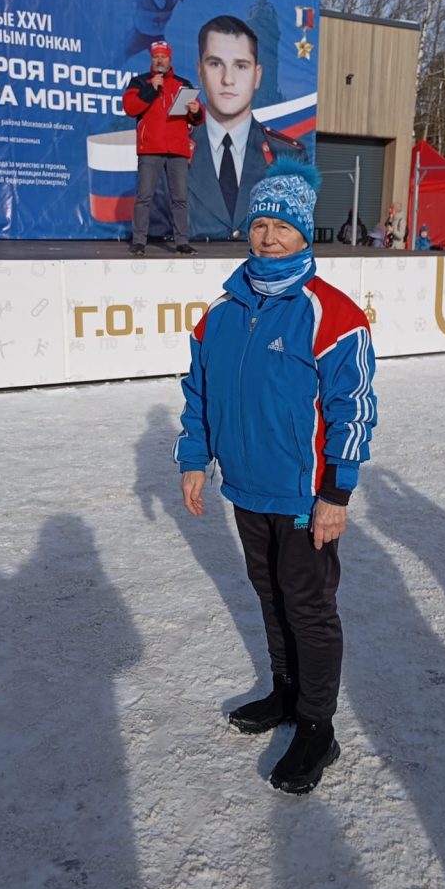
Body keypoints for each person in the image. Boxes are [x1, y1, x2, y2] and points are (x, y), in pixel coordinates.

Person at [174, 158, 377, 795]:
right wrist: (194, 458)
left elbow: (354, 409)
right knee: (270, 597)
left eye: (282, 226)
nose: (268, 237)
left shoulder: (331, 313)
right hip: (245, 487)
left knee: (309, 608)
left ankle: (318, 726)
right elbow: (199, 390)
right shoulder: (222, 310)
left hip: (304, 495)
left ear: (304, 232)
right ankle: (286, 694)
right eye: (260, 224)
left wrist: (336, 492)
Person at [188, 15, 306, 241]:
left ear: (257, 76)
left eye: (241, 66)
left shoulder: (288, 156)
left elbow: (294, 237)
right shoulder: (172, 155)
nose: (228, 79)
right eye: (215, 64)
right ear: (200, 72)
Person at [122, 40, 203, 256]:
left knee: (180, 199)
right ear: (151, 59)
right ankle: (139, 241)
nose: (160, 60)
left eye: (163, 56)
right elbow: (130, 108)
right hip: (150, 149)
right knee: (144, 197)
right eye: (156, 57)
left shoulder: (183, 83)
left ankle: (182, 242)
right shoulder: (140, 82)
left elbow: (197, 119)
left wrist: (196, 110)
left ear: (170, 59)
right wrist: (151, 88)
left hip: (177, 149)